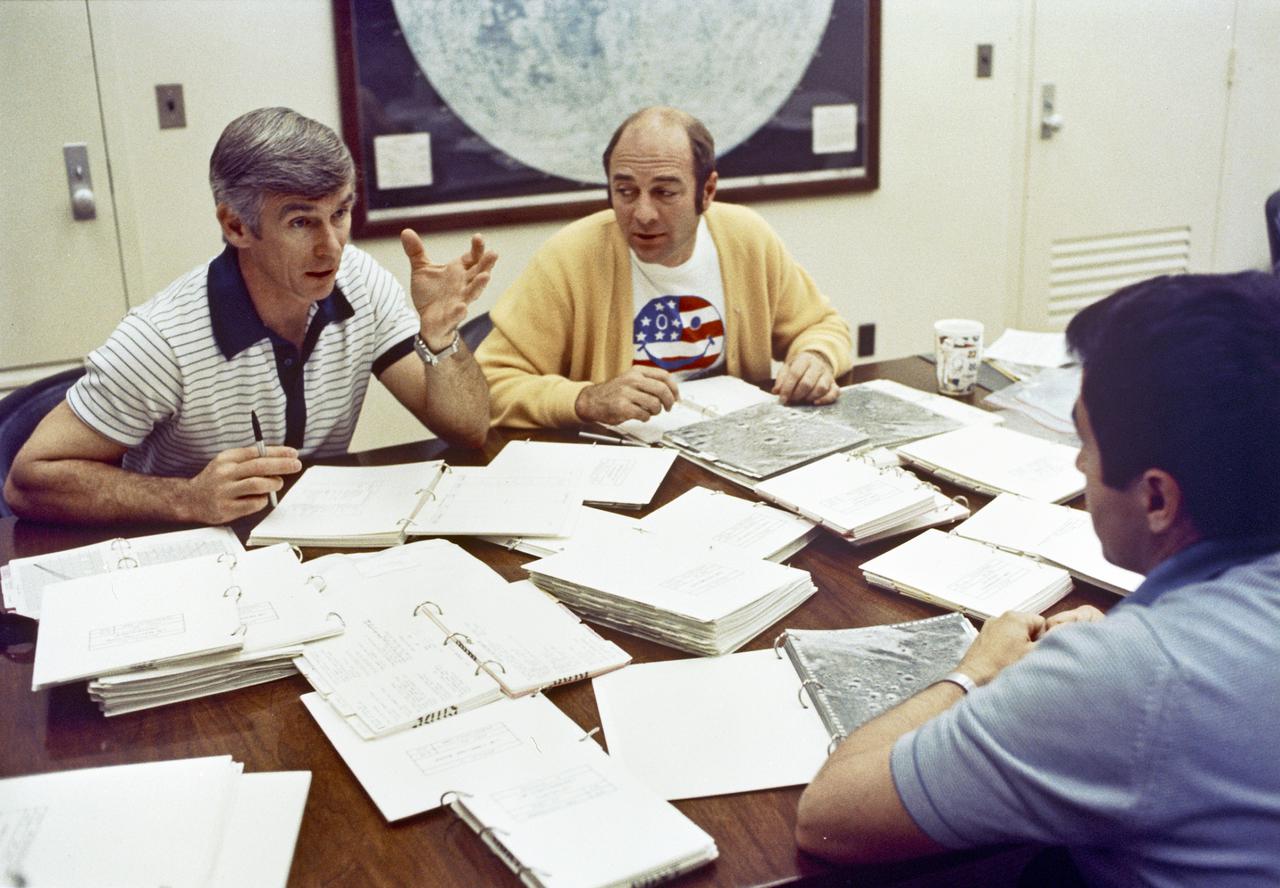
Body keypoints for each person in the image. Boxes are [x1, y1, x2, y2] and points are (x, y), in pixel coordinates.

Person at [795, 270, 1280, 886]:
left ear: (1157, 497)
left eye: (1086, 443)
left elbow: (829, 817)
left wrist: (975, 672)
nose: (1078, 465)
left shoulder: (1128, 678)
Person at [5, 107, 495, 526]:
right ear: (236, 225)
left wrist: (441, 336)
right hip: (186, 557)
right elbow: (29, 481)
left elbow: (469, 430)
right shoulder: (161, 339)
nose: (332, 246)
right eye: (301, 221)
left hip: (304, 539)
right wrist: (186, 498)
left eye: (340, 214)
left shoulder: (360, 280)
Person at [475, 106, 853, 428]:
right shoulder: (570, 257)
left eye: (665, 192)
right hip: (619, 462)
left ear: (707, 192)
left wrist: (815, 358)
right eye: (625, 192)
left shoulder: (746, 238)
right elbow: (486, 384)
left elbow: (821, 326)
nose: (642, 213)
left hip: (732, 447)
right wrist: (586, 399)